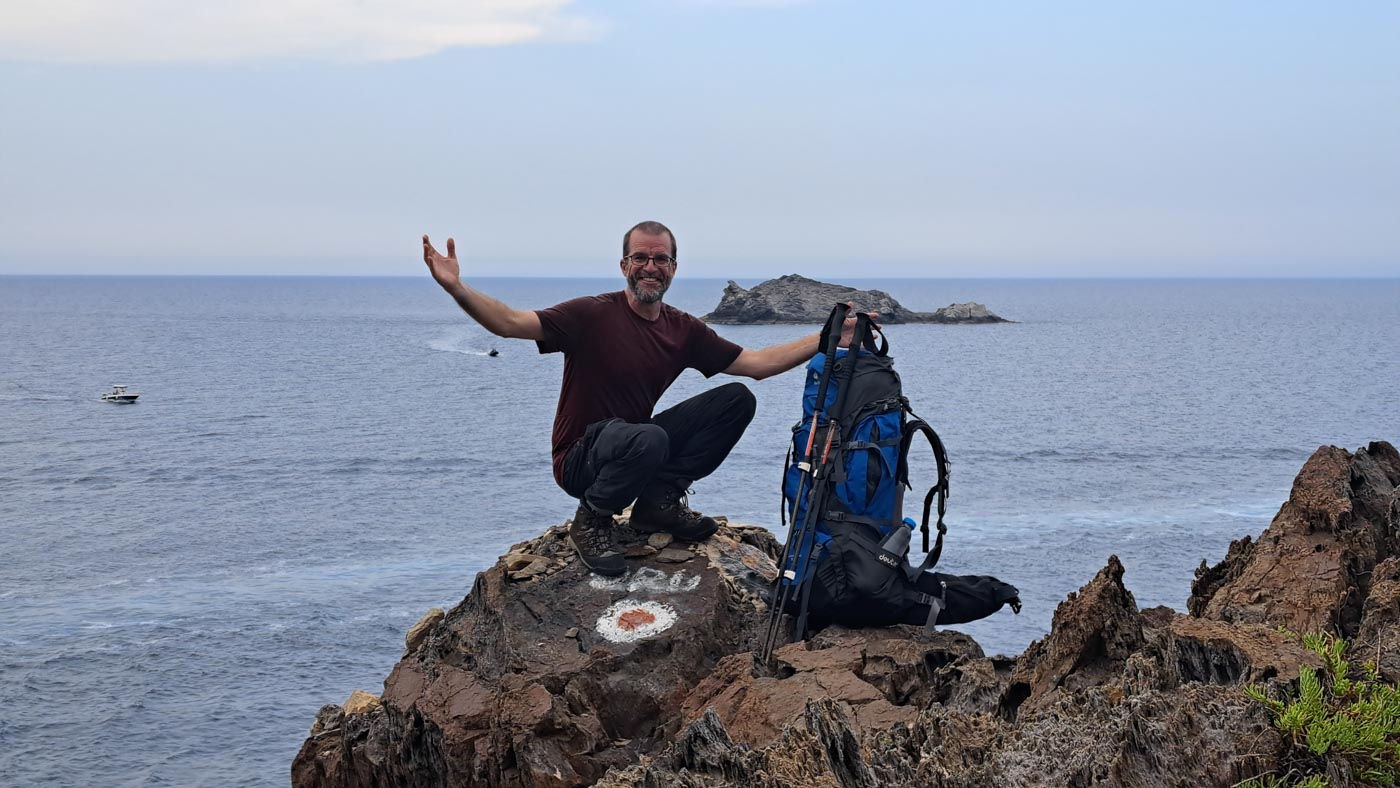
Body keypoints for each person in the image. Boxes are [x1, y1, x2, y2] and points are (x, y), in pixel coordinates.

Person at [423, 220, 867, 577]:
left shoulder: (682, 328)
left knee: (735, 400)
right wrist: (456, 287)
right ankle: (592, 519)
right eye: (640, 257)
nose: (649, 267)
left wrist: (828, 338)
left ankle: (657, 504)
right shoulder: (591, 314)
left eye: (660, 259)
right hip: (582, 460)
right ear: (624, 265)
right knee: (647, 437)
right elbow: (509, 323)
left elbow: (757, 364)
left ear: (673, 267)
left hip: (637, 446)